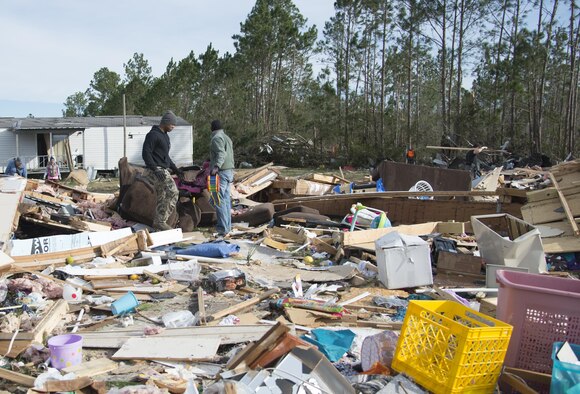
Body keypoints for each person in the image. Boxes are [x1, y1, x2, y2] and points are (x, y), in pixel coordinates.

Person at [142, 110, 184, 231]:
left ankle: (158, 223)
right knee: (173, 192)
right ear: (165, 122)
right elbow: (146, 153)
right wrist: (155, 169)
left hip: (162, 168)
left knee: (163, 195)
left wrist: (176, 169)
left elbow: (165, 156)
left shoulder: (165, 136)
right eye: (172, 124)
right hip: (156, 170)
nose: (173, 127)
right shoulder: (153, 135)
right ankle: (160, 221)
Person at [209, 119, 235, 237]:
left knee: (217, 199)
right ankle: (227, 227)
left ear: (212, 128)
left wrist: (216, 167)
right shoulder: (227, 137)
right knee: (225, 201)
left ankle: (222, 229)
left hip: (221, 172)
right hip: (229, 171)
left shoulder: (216, 138)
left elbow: (221, 154)